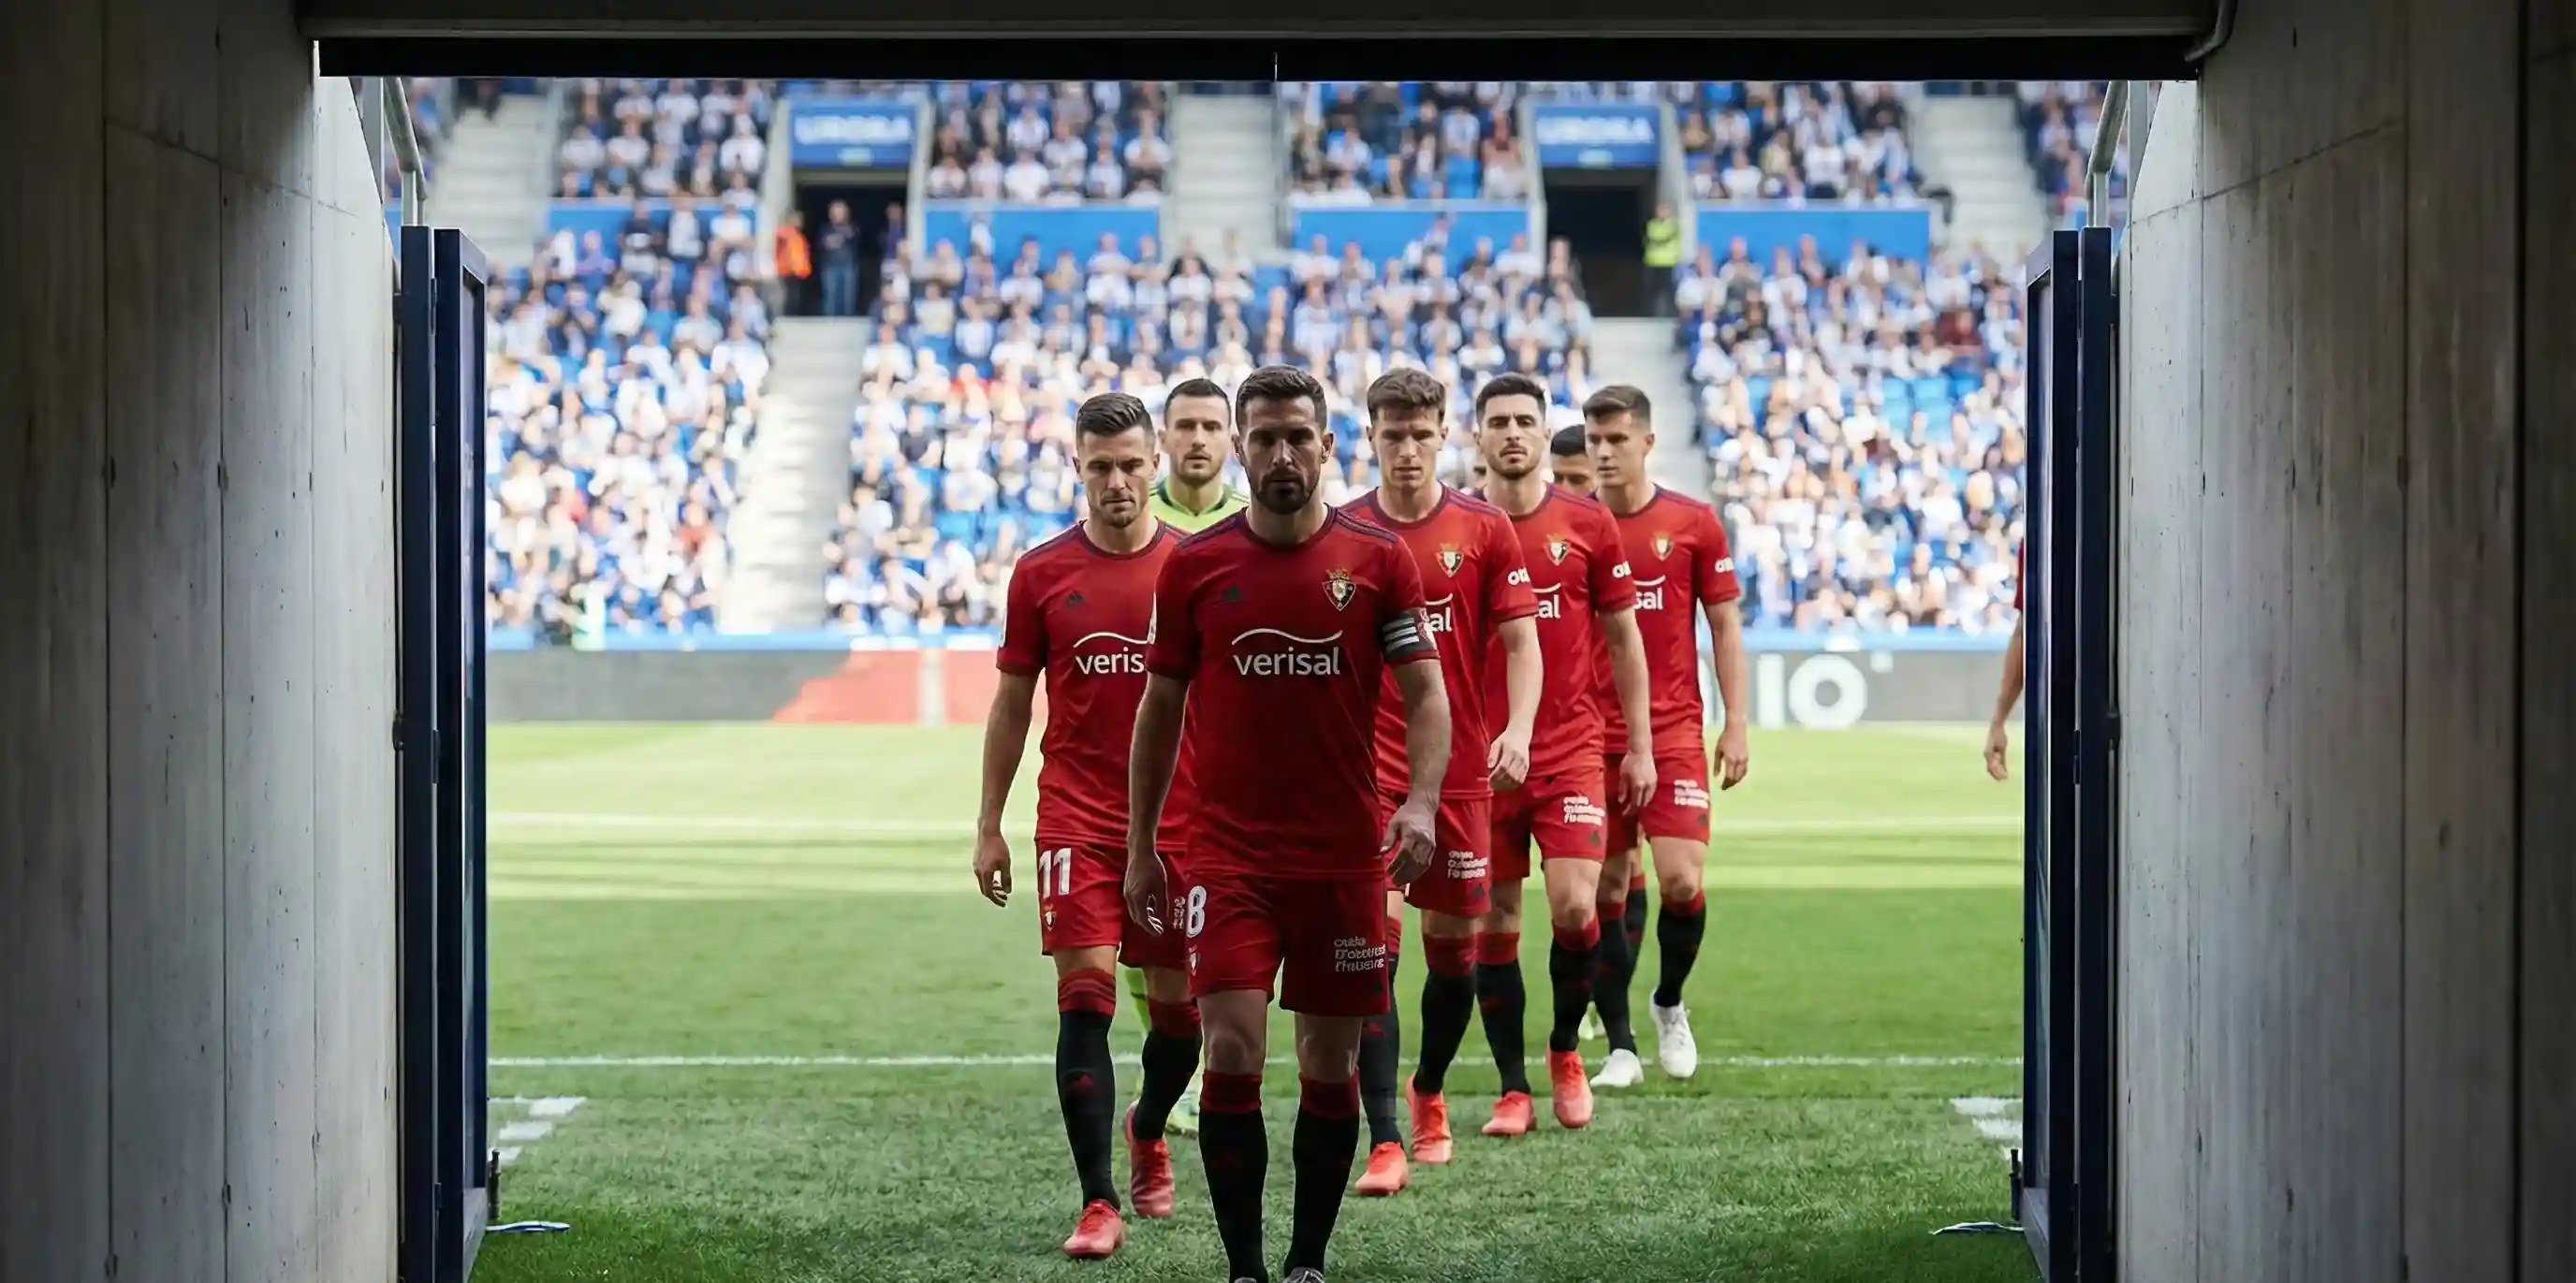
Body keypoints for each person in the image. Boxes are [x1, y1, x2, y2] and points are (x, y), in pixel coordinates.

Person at [1125, 365, 1450, 1283]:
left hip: (1343, 860)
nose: (1279, 455)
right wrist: (1144, 844)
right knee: (1228, 1045)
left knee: (1327, 1062)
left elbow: (1428, 695)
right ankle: (1244, 1269)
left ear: (1324, 445)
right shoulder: (1195, 567)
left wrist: (1419, 800)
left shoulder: (1378, 561)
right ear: (1239, 444)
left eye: (1295, 438)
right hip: (1226, 860)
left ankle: (1305, 1261)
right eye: (1260, 437)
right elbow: (1158, 711)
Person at [974, 393, 1198, 1260]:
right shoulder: (1039, 572)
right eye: (1099, 465)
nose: (1117, 480)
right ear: (1078, 466)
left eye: (1131, 464)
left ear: (1156, 465)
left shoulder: (1193, 567)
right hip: (1076, 818)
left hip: (1179, 827)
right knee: (1084, 1003)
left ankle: (1149, 1123)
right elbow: (1010, 705)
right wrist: (990, 824)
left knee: (1181, 1025)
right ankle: (1099, 1199)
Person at [1339, 370, 1542, 1192]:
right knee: (1372, 957)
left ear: (1444, 434)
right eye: (1394, 435)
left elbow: (1523, 643)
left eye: (1422, 434)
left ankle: (1429, 1087)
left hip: (1459, 774)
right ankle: (1387, 1133)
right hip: (1367, 775)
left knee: (1454, 959)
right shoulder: (1342, 526)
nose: (1409, 449)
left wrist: (1518, 729)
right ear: (1372, 438)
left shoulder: (1486, 529)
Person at [1467, 379, 1658, 1129]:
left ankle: (1563, 1051)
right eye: (1498, 423)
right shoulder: (1458, 527)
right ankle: (1514, 1086)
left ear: (1547, 433)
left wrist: (1637, 747)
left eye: (1525, 421)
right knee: (1497, 919)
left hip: (1573, 747)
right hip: (1479, 759)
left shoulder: (1587, 522)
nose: (1512, 433)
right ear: (1477, 436)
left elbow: (1623, 639)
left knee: (1578, 905)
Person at [1583, 386, 1750, 1085]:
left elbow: (1724, 623)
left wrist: (1736, 719)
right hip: (1589, 732)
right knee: (1603, 890)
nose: (1604, 452)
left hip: (1674, 726)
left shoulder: (1691, 523)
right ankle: (1620, 1042)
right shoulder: (1576, 526)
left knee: (1681, 879)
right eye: (1594, 440)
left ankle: (1669, 1002)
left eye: (1617, 439)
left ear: (1647, 442)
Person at [1118, 376, 1251, 1139]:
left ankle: (1202, 1059)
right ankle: (1178, 1058)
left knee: (1212, 926)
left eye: (1211, 425)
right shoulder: (1134, 515)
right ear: (1162, 439)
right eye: (1185, 426)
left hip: (1224, 760)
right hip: (1144, 756)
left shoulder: (1254, 518)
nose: (1198, 439)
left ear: (1230, 437)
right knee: (1144, 940)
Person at [1985, 544, 2027, 780]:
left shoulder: (2039, 536)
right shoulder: (2037, 537)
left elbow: (2026, 629)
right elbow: (2026, 628)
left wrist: (1998, 721)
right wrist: (1998, 721)